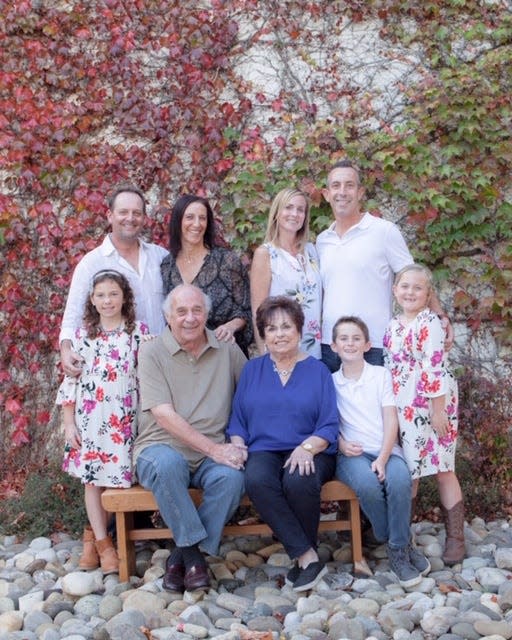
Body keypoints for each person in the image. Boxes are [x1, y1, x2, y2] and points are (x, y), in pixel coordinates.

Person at [133, 284, 247, 592]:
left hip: (213, 451)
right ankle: (195, 556)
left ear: (207, 314)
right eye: (181, 311)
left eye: (197, 310)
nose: (190, 318)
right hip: (160, 447)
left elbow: (249, 399)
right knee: (167, 466)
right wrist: (215, 450)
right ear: (168, 316)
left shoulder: (226, 348)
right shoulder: (152, 351)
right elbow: (164, 415)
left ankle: (178, 559)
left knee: (232, 479)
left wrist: (237, 441)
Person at [227, 296, 339, 592]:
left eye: (286, 326)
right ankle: (306, 555)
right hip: (264, 448)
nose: (280, 334)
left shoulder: (318, 371)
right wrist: (238, 445)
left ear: (299, 331)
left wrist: (307, 448)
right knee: (257, 479)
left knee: (298, 478)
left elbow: (329, 423)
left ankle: (303, 557)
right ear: (263, 335)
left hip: (311, 447)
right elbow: (238, 419)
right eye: (271, 328)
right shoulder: (252, 370)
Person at [316, 159, 451, 372]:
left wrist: (440, 317)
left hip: (374, 346)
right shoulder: (322, 240)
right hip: (329, 347)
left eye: (349, 185)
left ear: (360, 192)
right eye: (336, 185)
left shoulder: (384, 231)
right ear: (326, 194)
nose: (342, 192)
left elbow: (413, 277)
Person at [56, 269, 149, 574]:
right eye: (101, 295)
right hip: (91, 421)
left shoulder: (139, 333)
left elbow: (150, 379)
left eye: (113, 294)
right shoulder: (82, 338)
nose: (107, 300)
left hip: (125, 421)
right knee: (93, 481)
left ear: (124, 298)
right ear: (92, 301)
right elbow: (69, 385)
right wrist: (69, 425)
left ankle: (95, 538)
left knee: (121, 480)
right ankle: (103, 545)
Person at [331, 316, 430, 588]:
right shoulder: (330, 382)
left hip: (386, 447)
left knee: (399, 480)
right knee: (367, 484)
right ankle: (398, 539)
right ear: (334, 346)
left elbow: (391, 419)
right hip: (351, 454)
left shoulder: (380, 375)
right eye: (344, 339)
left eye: (356, 338)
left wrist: (384, 458)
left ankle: (397, 550)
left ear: (367, 345)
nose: (350, 343)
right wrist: (341, 444)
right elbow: (327, 423)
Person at [383, 264, 464, 565]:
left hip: (433, 403)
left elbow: (433, 366)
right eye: (405, 286)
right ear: (395, 290)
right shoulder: (393, 325)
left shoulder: (430, 323)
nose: (410, 292)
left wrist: (438, 411)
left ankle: (456, 538)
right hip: (404, 406)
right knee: (410, 471)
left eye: (418, 288)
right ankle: (404, 539)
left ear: (428, 294)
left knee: (443, 467)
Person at [60, 184, 168, 376]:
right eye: (123, 212)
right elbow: (73, 315)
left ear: (144, 218)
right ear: (110, 216)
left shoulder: (160, 257)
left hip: (163, 366)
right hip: (118, 371)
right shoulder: (92, 263)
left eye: (137, 213)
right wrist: (66, 349)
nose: (130, 218)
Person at [160, 194, 252, 355]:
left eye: (202, 218)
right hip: (184, 358)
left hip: (224, 354)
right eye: (190, 217)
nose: (197, 224)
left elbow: (246, 310)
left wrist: (230, 327)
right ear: (178, 221)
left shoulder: (226, 261)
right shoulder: (167, 265)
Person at [250, 188, 322, 358]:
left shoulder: (312, 251)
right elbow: (257, 312)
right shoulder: (266, 253)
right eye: (288, 207)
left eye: (300, 209)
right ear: (277, 212)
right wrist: (265, 356)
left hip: (313, 348)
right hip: (280, 350)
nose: (294, 214)